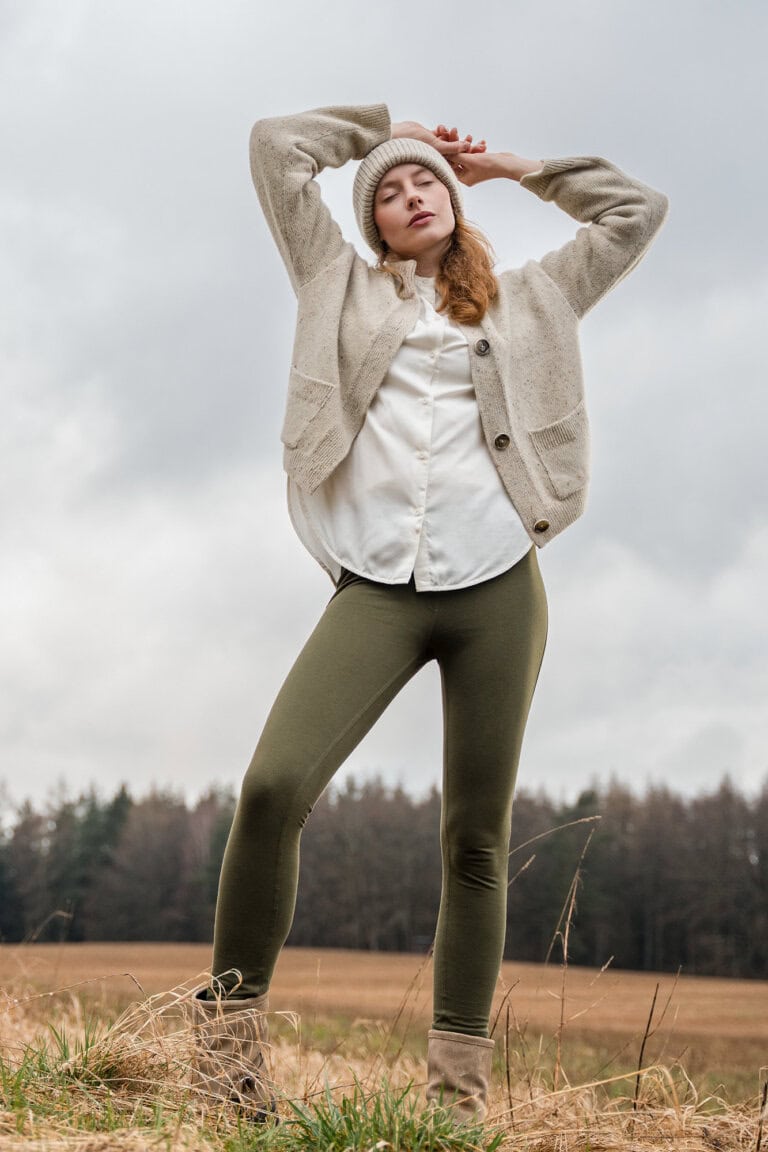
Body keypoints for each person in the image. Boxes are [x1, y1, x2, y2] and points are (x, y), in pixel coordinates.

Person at [188, 103, 668, 1124]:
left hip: (498, 585)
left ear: (457, 202)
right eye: (391, 192)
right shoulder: (339, 285)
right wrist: (380, 131)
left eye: (428, 183)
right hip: (376, 586)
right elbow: (277, 149)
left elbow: (635, 212)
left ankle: (454, 1103)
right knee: (273, 787)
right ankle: (226, 1069)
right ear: (371, 224)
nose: (413, 195)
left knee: (476, 840)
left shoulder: (536, 299)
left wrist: (512, 165)